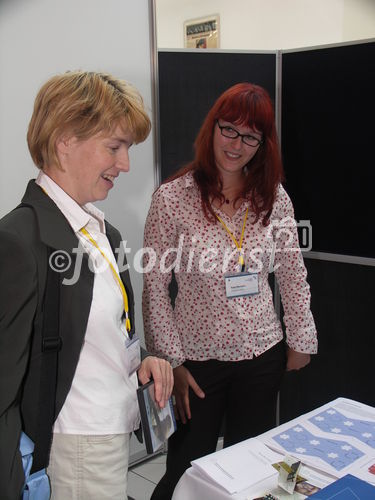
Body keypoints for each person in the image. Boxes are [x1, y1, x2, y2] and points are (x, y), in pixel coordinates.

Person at [0, 70, 173, 500]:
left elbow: (102, 333)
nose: (126, 164)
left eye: (127, 149)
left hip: (110, 431)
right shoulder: (20, 241)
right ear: (64, 141)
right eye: (114, 147)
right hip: (76, 449)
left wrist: (141, 361)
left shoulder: (100, 231)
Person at [142, 82, 318, 499]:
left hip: (261, 355)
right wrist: (172, 363)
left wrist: (301, 340)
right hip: (196, 362)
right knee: (186, 470)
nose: (237, 144)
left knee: (252, 465)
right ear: (212, 128)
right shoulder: (172, 199)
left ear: (262, 143)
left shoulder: (273, 198)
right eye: (229, 130)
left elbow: (293, 273)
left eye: (251, 136)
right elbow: (154, 285)